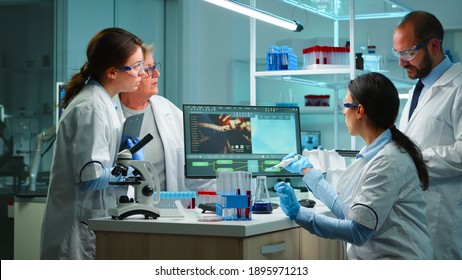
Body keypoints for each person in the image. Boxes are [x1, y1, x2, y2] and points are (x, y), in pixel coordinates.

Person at [275, 72, 432, 259]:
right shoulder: (375, 152)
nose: (343, 111)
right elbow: (348, 211)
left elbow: (358, 231)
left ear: (359, 111)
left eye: (345, 105)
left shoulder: (387, 162)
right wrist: (307, 171)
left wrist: (299, 212)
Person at [40, 27, 145, 260]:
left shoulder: (108, 103)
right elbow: (91, 177)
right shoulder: (91, 107)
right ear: (112, 72)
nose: (142, 73)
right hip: (76, 233)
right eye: (136, 66)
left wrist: (123, 154)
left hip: (92, 223)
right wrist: (127, 171)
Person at [393, 11, 462, 259]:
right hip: (415, 213)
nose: (401, 62)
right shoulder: (417, 90)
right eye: (398, 53)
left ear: (434, 45)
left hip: (444, 216)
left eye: (407, 53)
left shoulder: (459, 86)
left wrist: (414, 161)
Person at [114, 44, 214, 192]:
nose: (157, 73)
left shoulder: (168, 110)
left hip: (164, 211)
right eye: (148, 69)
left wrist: (231, 191)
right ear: (131, 73)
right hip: (120, 208)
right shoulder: (109, 112)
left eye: (154, 66)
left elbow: (196, 173)